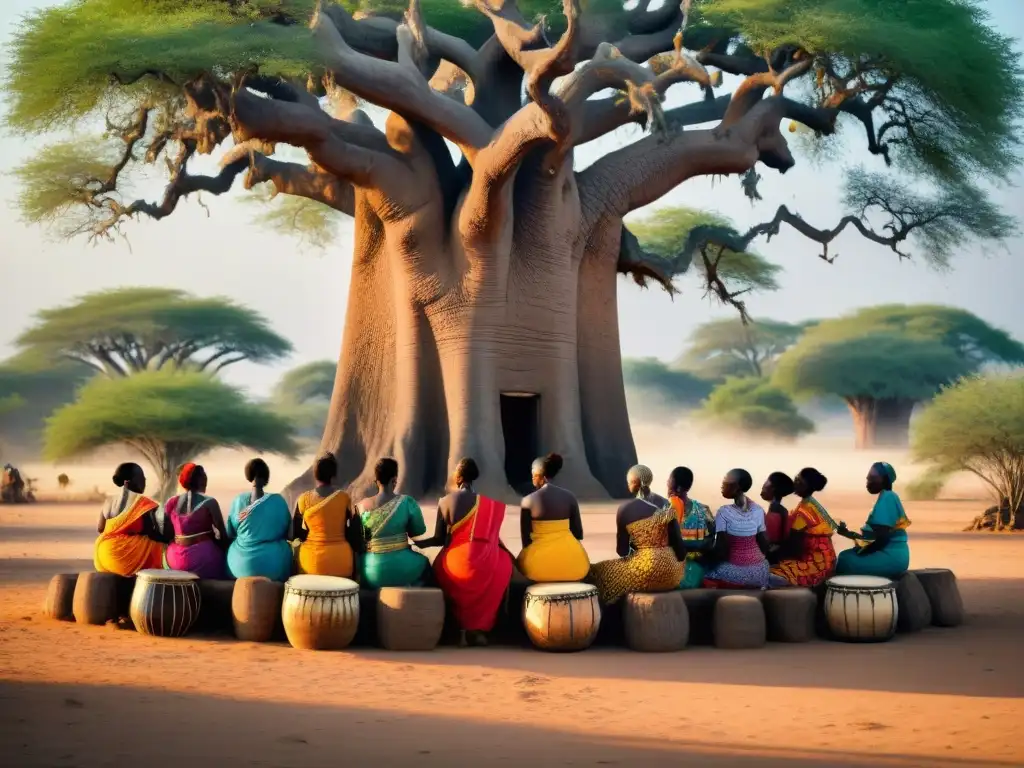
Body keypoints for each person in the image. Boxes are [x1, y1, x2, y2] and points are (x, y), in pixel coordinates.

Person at [418, 458, 514, 646]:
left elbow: (439, 539)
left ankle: (458, 630)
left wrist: (419, 544)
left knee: (438, 571)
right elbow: (494, 537)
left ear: (459, 477)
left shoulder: (445, 501)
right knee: (502, 567)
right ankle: (478, 630)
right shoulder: (488, 504)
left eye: (455, 472)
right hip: (486, 561)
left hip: (456, 562)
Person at [588, 465, 686, 605]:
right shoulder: (666, 504)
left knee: (600, 572)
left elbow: (622, 551)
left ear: (634, 482)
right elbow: (680, 550)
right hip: (673, 573)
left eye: (629, 481)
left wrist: (640, 545)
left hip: (647, 569)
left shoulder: (625, 510)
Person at [356, 457, 430, 588]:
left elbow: (362, 537)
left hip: (371, 571)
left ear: (376, 481)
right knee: (424, 563)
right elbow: (418, 531)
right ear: (394, 480)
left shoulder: (361, 506)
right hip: (402, 567)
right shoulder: (407, 502)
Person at [516, 453, 590, 583]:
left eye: (533, 475)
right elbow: (577, 533)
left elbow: (526, 541)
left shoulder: (527, 501)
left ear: (541, 476)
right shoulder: (570, 497)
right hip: (574, 565)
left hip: (538, 567)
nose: (532, 479)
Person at [835, 462, 911, 579]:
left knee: (846, 560)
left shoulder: (888, 498)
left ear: (884, 479)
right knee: (846, 556)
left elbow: (881, 540)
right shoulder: (886, 497)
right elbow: (874, 538)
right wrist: (847, 533)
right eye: (868, 477)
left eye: (873, 477)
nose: (868, 479)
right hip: (891, 553)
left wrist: (861, 552)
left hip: (891, 555)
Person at [292, 453, 359, 578]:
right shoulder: (344, 498)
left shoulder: (303, 499)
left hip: (311, 563)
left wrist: (312, 536)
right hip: (340, 561)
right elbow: (351, 531)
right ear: (333, 475)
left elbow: (296, 532)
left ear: (315, 474)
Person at [225, 458, 292, 582]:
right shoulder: (278, 501)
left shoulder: (238, 500)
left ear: (249, 475)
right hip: (271, 566)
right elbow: (289, 534)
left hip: (239, 568)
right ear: (266, 476)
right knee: (285, 547)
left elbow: (230, 533)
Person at [702, 469, 771, 589]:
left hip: (737, 572)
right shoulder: (758, 509)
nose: (722, 485)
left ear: (737, 487)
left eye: (726, 482)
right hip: (761, 571)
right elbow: (764, 544)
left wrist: (703, 552)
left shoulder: (724, 512)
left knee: (703, 572)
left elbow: (720, 550)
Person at [94, 462, 166, 576]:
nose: (145, 481)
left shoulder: (109, 501)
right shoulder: (143, 504)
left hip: (103, 555)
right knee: (155, 541)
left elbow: (100, 528)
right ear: (129, 482)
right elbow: (152, 533)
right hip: (124, 559)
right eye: (141, 478)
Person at [769, 468, 838, 587]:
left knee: (771, 574)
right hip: (826, 560)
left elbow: (794, 545)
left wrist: (773, 555)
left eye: (798, 481)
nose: (794, 483)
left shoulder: (804, 512)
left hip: (815, 564)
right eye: (796, 478)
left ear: (806, 486)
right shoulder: (810, 503)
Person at [163, 463, 228, 579]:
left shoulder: (171, 502)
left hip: (174, 560)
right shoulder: (210, 502)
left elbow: (167, 534)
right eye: (204, 476)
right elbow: (223, 536)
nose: (206, 480)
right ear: (199, 481)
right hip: (202, 558)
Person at [665, 466, 714, 589]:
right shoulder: (704, 510)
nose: (667, 483)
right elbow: (710, 542)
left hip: (675, 567)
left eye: (669, 480)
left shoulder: (664, 511)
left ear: (678, 488)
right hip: (700, 566)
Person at [761, 471, 794, 548]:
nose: (763, 486)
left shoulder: (775, 510)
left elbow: (771, 539)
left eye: (767, 481)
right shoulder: (781, 509)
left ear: (773, 488)